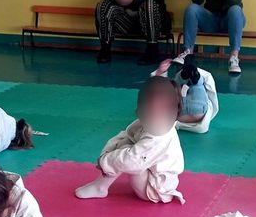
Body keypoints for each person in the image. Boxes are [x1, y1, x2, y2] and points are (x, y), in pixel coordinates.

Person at [75, 76, 185, 204]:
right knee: (124, 145)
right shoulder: (148, 121)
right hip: (147, 173)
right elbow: (125, 135)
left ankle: (100, 187)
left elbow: (133, 160)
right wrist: (107, 153)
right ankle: (100, 185)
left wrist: (106, 162)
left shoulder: (159, 136)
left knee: (127, 155)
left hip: (155, 189)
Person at [175, 0, 246, 74]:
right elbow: (197, 0)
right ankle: (188, 54)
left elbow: (235, 1)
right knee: (191, 9)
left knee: (236, 9)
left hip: (230, 22)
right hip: (211, 20)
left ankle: (234, 57)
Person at [95, 0, 169, 66]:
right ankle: (105, 48)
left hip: (151, 23)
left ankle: (152, 49)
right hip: (127, 22)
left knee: (149, 4)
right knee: (102, 5)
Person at [153, 55, 219, 133]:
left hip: (180, 119)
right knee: (208, 99)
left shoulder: (179, 75)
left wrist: (161, 73)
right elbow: (213, 95)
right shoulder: (206, 75)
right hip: (200, 118)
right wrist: (210, 114)